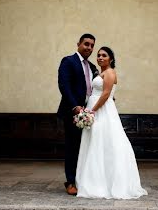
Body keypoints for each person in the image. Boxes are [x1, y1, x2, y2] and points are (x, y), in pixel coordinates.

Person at [75, 46, 148, 199]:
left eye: (104, 55)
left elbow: (106, 94)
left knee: (105, 142)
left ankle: (106, 183)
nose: (100, 58)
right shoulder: (100, 72)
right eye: (99, 55)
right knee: (94, 142)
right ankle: (92, 180)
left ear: (111, 59)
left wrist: (91, 111)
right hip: (94, 108)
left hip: (102, 111)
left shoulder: (110, 72)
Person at [57, 33, 97, 196]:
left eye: (92, 45)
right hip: (73, 112)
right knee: (73, 147)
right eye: (86, 44)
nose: (89, 47)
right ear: (78, 44)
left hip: (89, 112)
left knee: (87, 147)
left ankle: (84, 180)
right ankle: (71, 182)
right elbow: (64, 85)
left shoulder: (92, 67)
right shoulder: (68, 61)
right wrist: (75, 106)